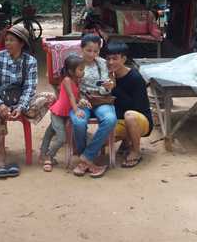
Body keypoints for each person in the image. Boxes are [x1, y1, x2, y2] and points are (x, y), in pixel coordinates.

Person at [0, 24, 55, 179]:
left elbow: (30, 87)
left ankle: (23, 115)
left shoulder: (30, 61)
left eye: (11, 40)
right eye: (6, 40)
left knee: (50, 97)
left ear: (21, 43)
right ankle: (1, 154)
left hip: (20, 101)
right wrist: (0, 104)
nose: (7, 43)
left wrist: (21, 107)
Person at [70, 33, 117, 178]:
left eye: (96, 51)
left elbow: (105, 85)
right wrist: (78, 99)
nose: (92, 54)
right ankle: (87, 159)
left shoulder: (102, 63)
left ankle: (85, 158)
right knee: (78, 122)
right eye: (88, 50)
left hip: (101, 99)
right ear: (81, 48)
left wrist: (107, 86)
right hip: (81, 100)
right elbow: (67, 85)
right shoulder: (73, 62)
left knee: (110, 119)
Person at [105, 41, 153, 168]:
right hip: (120, 120)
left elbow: (136, 107)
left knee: (130, 115)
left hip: (140, 121)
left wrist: (114, 89)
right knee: (101, 140)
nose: (110, 62)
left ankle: (136, 151)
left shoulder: (135, 78)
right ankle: (126, 141)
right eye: (108, 58)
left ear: (124, 59)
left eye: (115, 58)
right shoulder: (107, 76)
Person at [38, 54, 87, 172]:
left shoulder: (77, 81)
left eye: (83, 69)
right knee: (61, 138)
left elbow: (76, 97)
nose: (83, 72)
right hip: (58, 113)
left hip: (64, 113)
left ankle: (43, 154)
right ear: (71, 71)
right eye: (80, 69)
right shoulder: (66, 80)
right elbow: (70, 96)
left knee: (50, 132)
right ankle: (49, 156)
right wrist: (76, 110)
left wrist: (82, 102)